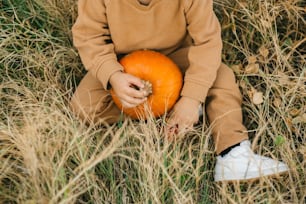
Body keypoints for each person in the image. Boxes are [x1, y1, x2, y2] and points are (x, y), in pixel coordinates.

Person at [70, 0, 289, 181]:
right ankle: (166, 115)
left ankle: (232, 153)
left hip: (177, 57)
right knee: (85, 105)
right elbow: (90, 36)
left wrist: (191, 99)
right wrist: (113, 75)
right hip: (123, 65)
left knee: (221, 77)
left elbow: (207, 43)